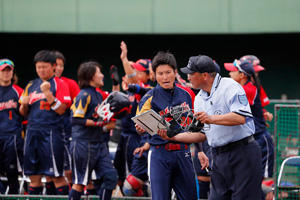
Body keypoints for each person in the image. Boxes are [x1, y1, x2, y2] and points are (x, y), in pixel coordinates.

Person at [158, 54, 263, 199]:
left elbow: (240, 118)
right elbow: (201, 134)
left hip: (242, 153)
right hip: (218, 156)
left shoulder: (230, 85)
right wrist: (172, 136)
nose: (188, 77)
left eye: (191, 73)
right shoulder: (199, 98)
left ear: (205, 75)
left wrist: (211, 118)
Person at [134, 51, 198, 200]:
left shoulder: (188, 94)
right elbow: (139, 126)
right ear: (154, 75)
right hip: (159, 154)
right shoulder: (149, 97)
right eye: (160, 73)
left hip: (183, 152)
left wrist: (200, 151)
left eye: (168, 72)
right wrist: (140, 129)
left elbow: (198, 127)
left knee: (190, 197)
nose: (165, 77)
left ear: (175, 72)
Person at [19, 50, 71, 195]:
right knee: (33, 177)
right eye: (38, 67)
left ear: (53, 66)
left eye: (44, 67)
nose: (41, 70)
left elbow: (62, 110)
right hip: (32, 131)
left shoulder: (59, 83)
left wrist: (48, 94)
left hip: (51, 132)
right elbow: (23, 113)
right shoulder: (31, 84)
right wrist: (23, 105)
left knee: (56, 176)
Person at [224, 59, 275, 199]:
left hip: (260, 140)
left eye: (233, 71)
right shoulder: (241, 87)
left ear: (242, 75)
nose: (229, 73)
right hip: (249, 141)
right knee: (247, 182)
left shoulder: (248, 88)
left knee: (264, 184)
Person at [68, 61, 118, 200]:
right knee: (79, 183)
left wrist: (115, 82)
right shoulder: (84, 95)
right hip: (83, 143)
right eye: (99, 73)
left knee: (110, 177)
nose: (102, 76)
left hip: (98, 143)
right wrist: (101, 124)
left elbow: (115, 99)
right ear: (91, 77)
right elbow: (76, 119)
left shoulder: (97, 94)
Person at [113, 41, 152, 196]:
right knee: (120, 177)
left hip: (138, 137)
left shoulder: (147, 89)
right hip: (124, 135)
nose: (135, 72)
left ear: (148, 75)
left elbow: (133, 80)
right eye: (134, 69)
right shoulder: (129, 90)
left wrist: (124, 59)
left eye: (139, 70)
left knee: (132, 182)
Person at [0, 59, 23, 194]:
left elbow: (24, 116)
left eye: (9, 70)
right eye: (3, 70)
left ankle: (14, 195)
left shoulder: (18, 91)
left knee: (12, 171)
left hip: (12, 137)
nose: (6, 73)